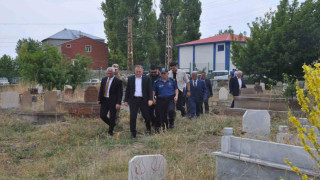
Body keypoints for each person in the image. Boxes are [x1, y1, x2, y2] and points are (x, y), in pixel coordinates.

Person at [124, 65, 153, 138]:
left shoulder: (147, 78)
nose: (138, 73)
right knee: (133, 117)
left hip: (144, 100)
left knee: (146, 116)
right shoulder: (130, 79)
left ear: (142, 71)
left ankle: (148, 129)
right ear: (134, 71)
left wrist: (150, 99)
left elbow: (150, 90)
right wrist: (125, 100)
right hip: (133, 100)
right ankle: (133, 133)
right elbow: (127, 90)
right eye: (137, 71)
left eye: (140, 71)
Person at [98, 67, 123, 136]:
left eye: (110, 73)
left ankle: (110, 131)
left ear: (113, 73)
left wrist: (118, 103)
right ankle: (112, 124)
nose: (109, 74)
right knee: (102, 115)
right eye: (108, 73)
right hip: (105, 100)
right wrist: (99, 99)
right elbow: (101, 90)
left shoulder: (118, 81)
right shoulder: (104, 79)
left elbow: (120, 93)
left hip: (113, 101)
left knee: (112, 116)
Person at [148, 65, 161, 131]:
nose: (153, 74)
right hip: (150, 96)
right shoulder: (148, 77)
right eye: (152, 72)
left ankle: (157, 126)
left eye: (154, 72)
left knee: (158, 112)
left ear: (158, 70)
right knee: (150, 112)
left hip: (159, 96)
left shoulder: (161, 77)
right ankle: (153, 122)